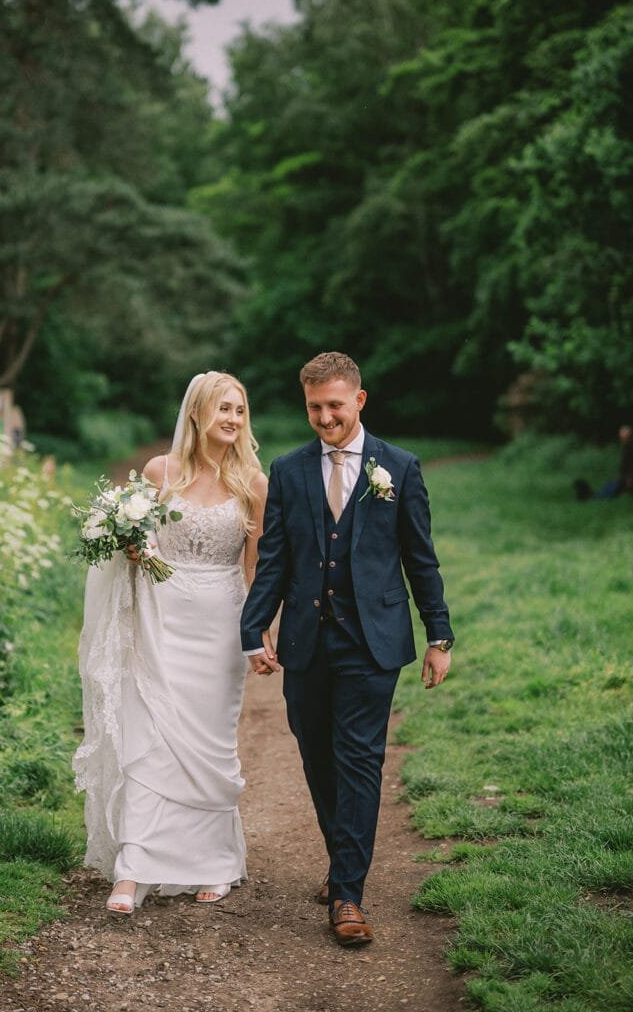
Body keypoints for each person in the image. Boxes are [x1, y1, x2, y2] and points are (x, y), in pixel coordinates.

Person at [240, 352, 454, 947]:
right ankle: (343, 862)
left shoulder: (400, 468)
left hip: (373, 641)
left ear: (359, 400)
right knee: (317, 755)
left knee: (359, 760)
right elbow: (275, 559)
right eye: (314, 407)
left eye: (335, 405)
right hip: (307, 641)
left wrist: (439, 634)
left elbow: (420, 558)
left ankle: (348, 896)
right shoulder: (288, 471)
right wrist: (252, 627)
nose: (325, 417)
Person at [74, 371, 267, 915]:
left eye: (238, 409)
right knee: (152, 736)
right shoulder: (162, 472)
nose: (231, 418)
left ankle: (213, 863)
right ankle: (133, 867)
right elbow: (139, 545)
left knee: (209, 743)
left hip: (220, 623)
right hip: (160, 618)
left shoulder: (253, 484)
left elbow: (254, 570)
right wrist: (134, 549)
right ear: (196, 414)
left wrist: (259, 635)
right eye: (222, 408)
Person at [573, 424, 633, 500]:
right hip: (624, 478)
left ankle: (596, 498)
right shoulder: (626, 448)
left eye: (625, 438)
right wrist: (621, 477)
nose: (622, 440)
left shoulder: (630, 449)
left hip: (628, 480)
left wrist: (629, 479)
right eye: (622, 437)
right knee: (610, 484)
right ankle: (595, 496)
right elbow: (625, 467)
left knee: (612, 487)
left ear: (630, 436)